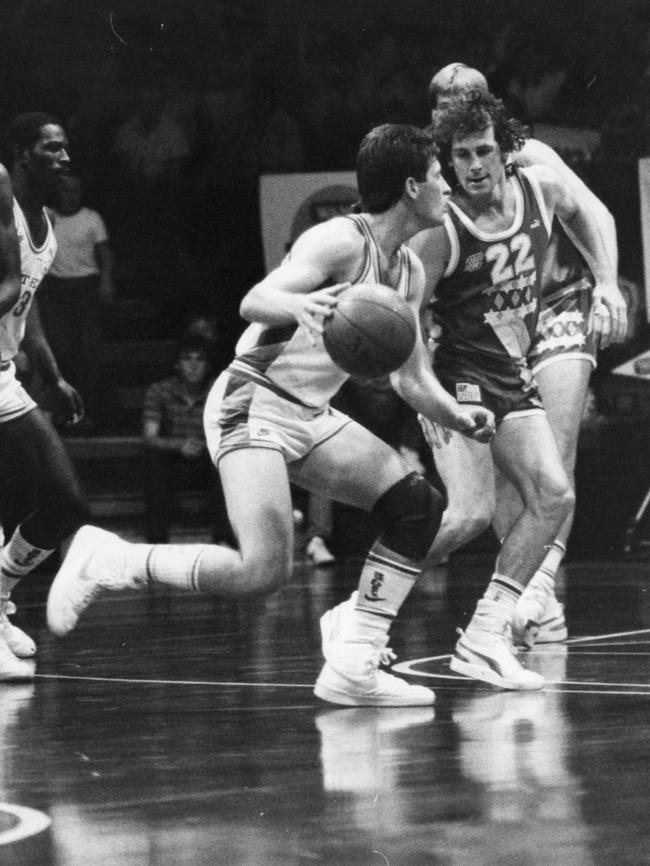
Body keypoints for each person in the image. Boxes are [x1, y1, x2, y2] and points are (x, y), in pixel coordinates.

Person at [46, 123, 495, 707]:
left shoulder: (407, 271)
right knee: (264, 571)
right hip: (250, 400)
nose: (449, 186)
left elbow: (409, 377)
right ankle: (113, 558)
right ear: (412, 186)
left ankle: (354, 661)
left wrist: (459, 417)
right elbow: (254, 300)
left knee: (417, 506)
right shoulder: (340, 240)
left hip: (309, 413)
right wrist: (299, 304)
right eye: (440, 175)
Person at [410, 89, 618, 689]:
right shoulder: (440, 226)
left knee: (554, 492)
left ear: (505, 150)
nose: (474, 165)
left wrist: (604, 281)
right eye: (463, 156)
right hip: (461, 373)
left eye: (483, 152)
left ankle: (489, 630)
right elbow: (406, 318)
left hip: (516, 363)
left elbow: (591, 216)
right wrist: (427, 395)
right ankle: (361, 614)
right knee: (470, 513)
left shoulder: (542, 183)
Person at [0, 112, 89, 680]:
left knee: (65, 504)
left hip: (5, 372)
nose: (64, 157)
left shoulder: (48, 226)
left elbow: (23, 307)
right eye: (51, 148)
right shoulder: (1, 192)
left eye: (65, 148)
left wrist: (52, 376)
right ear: (22, 155)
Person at [38, 171, 114, 431]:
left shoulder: (92, 218)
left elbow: (105, 254)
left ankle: (89, 413)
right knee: (59, 350)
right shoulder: (47, 216)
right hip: (55, 291)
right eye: (65, 190)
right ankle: (60, 413)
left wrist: (106, 281)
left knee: (87, 352)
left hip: (85, 289)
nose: (69, 195)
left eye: (74, 190)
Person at [142, 333, 232, 545]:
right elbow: (149, 437)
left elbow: (230, 431)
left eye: (199, 359)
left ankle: (224, 537)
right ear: (176, 364)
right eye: (187, 359)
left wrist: (207, 446)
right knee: (153, 458)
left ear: (208, 365)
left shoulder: (217, 390)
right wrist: (179, 445)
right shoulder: (159, 390)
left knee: (228, 459)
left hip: (207, 457)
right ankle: (157, 538)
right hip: (172, 460)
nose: (193, 366)